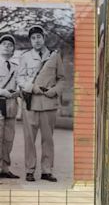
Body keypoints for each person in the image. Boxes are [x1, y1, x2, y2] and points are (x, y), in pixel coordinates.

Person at [16, 25, 65, 182]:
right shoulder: (25, 57)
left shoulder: (54, 56)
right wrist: (31, 87)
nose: (36, 40)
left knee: (48, 139)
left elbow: (61, 78)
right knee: (29, 139)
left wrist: (55, 90)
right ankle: (29, 170)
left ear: (44, 38)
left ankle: (46, 170)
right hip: (30, 103)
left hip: (49, 103)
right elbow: (20, 78)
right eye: (33, 38)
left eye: (39, 37)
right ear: (30, 41)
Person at [0, 34, 20, 179]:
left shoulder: (16, 67)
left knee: (9, 138)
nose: (7, 46)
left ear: (13, 50)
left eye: (10, 45)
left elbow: (21, 83)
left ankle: (5, 168)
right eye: (4, 44)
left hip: (11, 105)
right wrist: (3, 91)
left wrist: (18, 91)